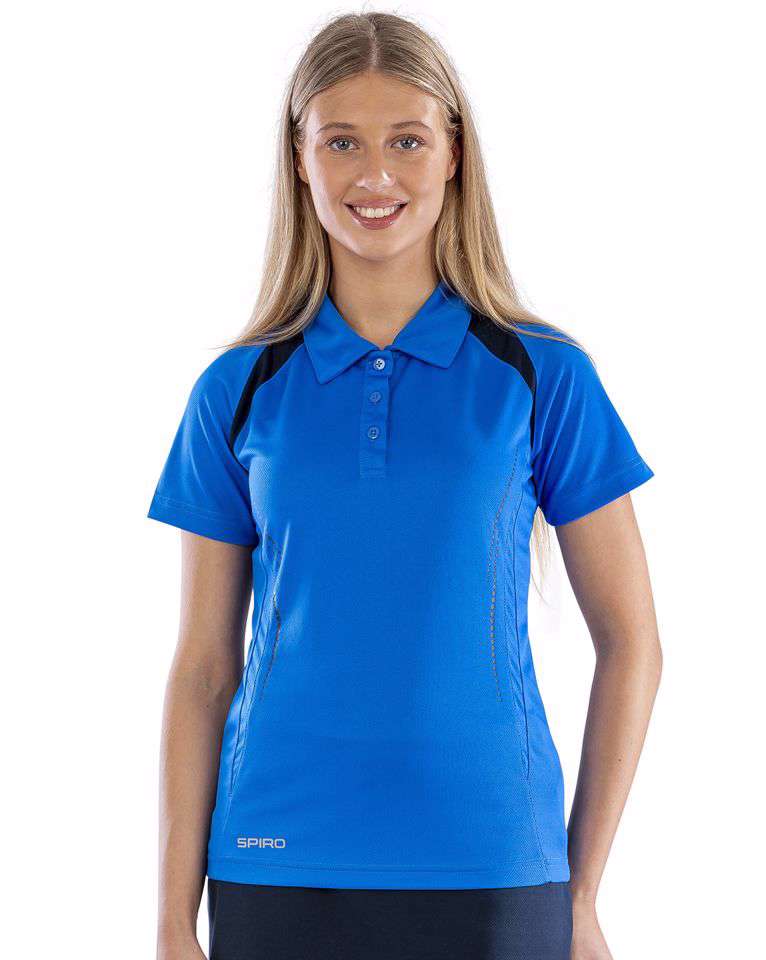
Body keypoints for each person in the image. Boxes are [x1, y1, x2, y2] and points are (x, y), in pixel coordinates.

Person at [148, 12, 662, 960]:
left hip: (496, 865)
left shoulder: (543, 375)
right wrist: (172, 922)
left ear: (455, 154)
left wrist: (582, 891)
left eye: (408, 140)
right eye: (341, 141)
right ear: (300, 160)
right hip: (276, 859)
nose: (374, 174)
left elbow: (631, 642)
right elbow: (203, 670)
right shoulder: (238, 388)